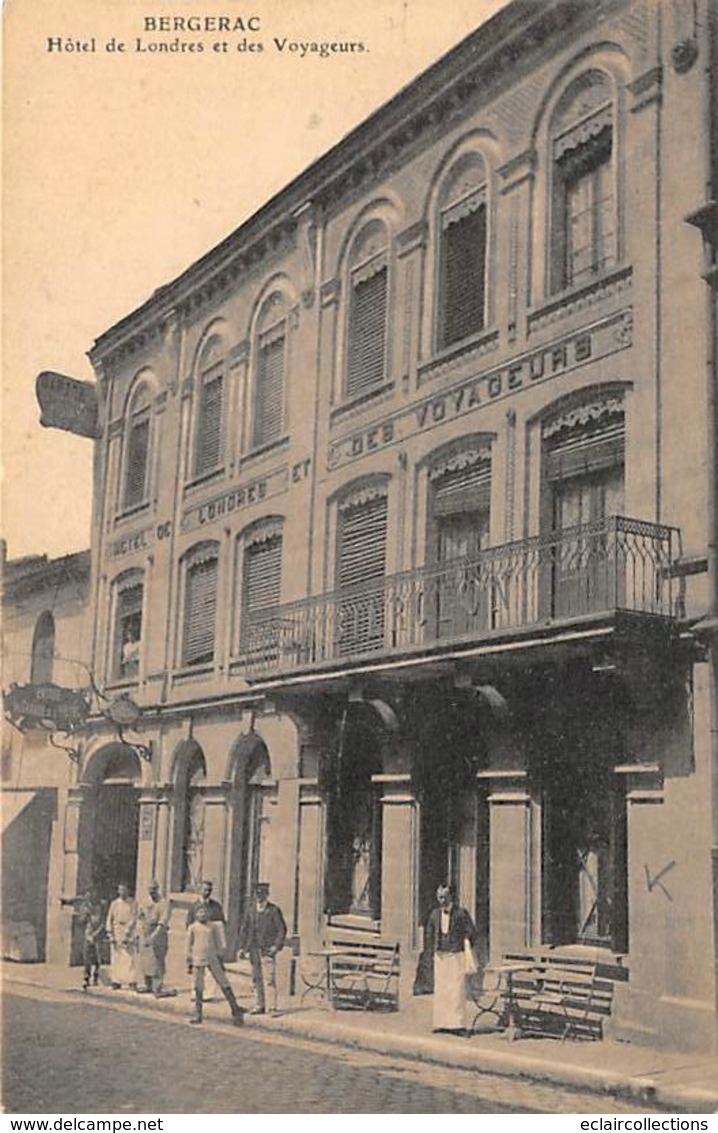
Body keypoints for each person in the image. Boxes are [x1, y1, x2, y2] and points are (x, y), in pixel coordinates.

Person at [423, 882, 477, 1034]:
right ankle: (441, 1023)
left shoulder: (461, 914)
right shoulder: (434, 914)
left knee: (456, 990)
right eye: (439, 897)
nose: (441, 900)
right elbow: (429, 934)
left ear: (451, 896)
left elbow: (472, 932)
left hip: (455, 956)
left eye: (444, 897)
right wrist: (432, 949)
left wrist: (464, 942)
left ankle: (457, 1025)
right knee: (441, 990)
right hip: (440, 956)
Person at [186, 904, 244, 1026]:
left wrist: (220, 956)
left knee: (223, 982)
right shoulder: (192, 928)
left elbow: (220, 944)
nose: (202, 915)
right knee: (198, 987)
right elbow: (188, 946)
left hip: (212, 959)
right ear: (196, 915)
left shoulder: (213, 927)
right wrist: (189, 961)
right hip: (197, 960)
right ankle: (197, 1014)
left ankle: (235, 1010)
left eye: (205, 912)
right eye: (200, 912)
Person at [238, 881, 286, 1015]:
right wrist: (242, 948)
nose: (260, 897)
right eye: (257, 894)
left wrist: (276, 946)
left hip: (267, 949)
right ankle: (259, 1005)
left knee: (269, 979)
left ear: (267, 895)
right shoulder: (251, 910)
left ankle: (272, 1007)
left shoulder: (273, 910)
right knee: (256, 978)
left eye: (262, 894)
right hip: (253, 949)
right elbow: (244, 929)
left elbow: (281, 930)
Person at [136, 880, 173, 996]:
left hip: (158, 934)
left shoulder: (164, 903)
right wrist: (141, 933)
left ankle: (157, 986)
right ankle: (148, 984)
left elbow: (163, 922)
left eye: (154, 889)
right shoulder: (144, 901)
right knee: (146, 960)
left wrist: (153, 936)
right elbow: (140, 917)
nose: (151, 892)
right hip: (145, 932)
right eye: (150, 889)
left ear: (158, 889)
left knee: (158, 961)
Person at [105, 883, 137, 990]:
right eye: (120, 890)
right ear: (118, 891)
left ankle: (131, 981)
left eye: (124, 890)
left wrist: (129, 931)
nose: (122, 892)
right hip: (117, 930)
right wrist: (110, 933)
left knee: (129, 957)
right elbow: (109, 918)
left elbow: (134, 918)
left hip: (128, 931)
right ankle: (116, 981)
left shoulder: (132, 903)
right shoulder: (114, 904)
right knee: (116, 957)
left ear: (128, 891)